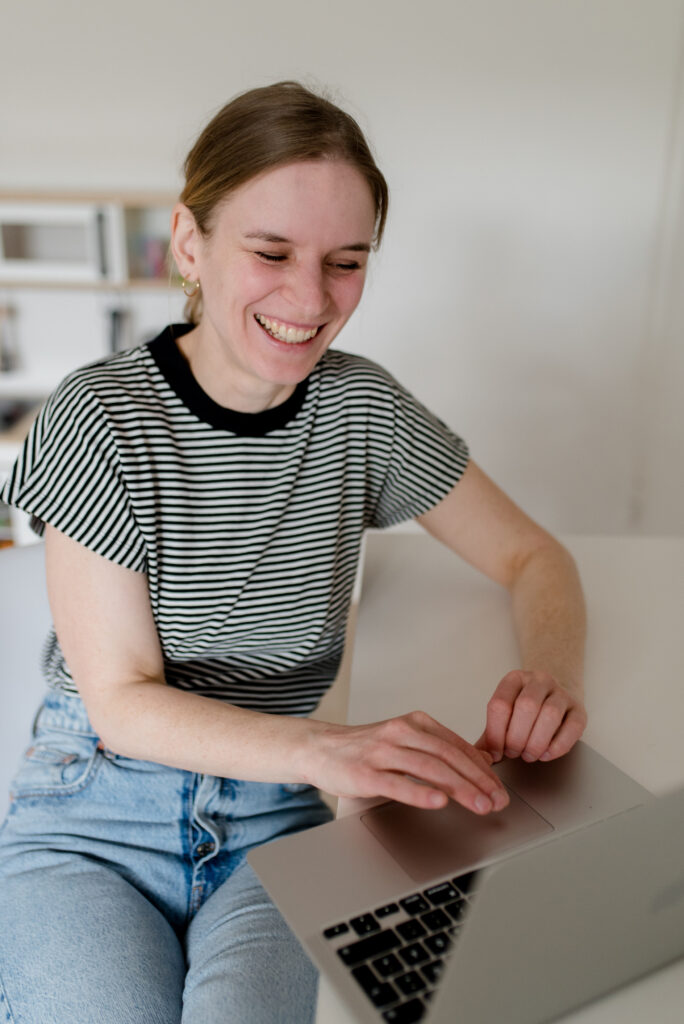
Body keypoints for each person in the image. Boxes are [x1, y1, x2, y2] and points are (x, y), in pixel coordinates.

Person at [0, 81, 587, 1024]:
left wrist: (549, 677)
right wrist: (342, 751)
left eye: (346, 262)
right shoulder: (100, 414)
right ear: (189, 242)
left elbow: (534, 556)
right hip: (94, 820)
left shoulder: (363, 410)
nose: (311, 299)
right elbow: (121, 705)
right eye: (270, 252)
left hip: (279, 821)